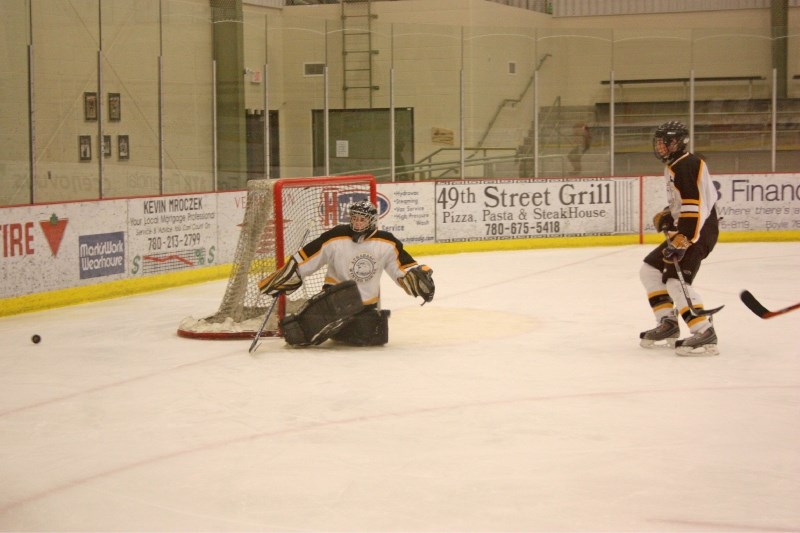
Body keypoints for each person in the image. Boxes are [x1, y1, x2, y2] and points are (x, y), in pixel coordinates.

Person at [258, 200, 435, 346]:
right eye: (355, 219)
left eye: (362, 220)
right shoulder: (336, 236)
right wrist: (290, 274)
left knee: (373, 337)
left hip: (365, 305)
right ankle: (320, 323)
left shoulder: (386, 242)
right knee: (299, 335)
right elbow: (309, 258)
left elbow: (403, 268)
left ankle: (341, 328)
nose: (357, 223)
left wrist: (415, 277)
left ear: (372, 221)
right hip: (335, 300)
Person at [639, 121, 720, 356]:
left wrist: (683, 241)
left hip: (698, 231)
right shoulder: (677, 165)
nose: (660, 146)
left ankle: (704, 330)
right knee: (650, 270)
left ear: (678, 142)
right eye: (658, 142)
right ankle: (668, 323)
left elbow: (696, 208)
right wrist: (668, 215)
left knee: (675, 281)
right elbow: (684, 203)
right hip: (688, 230)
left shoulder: (687, 165)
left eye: (665, 142)